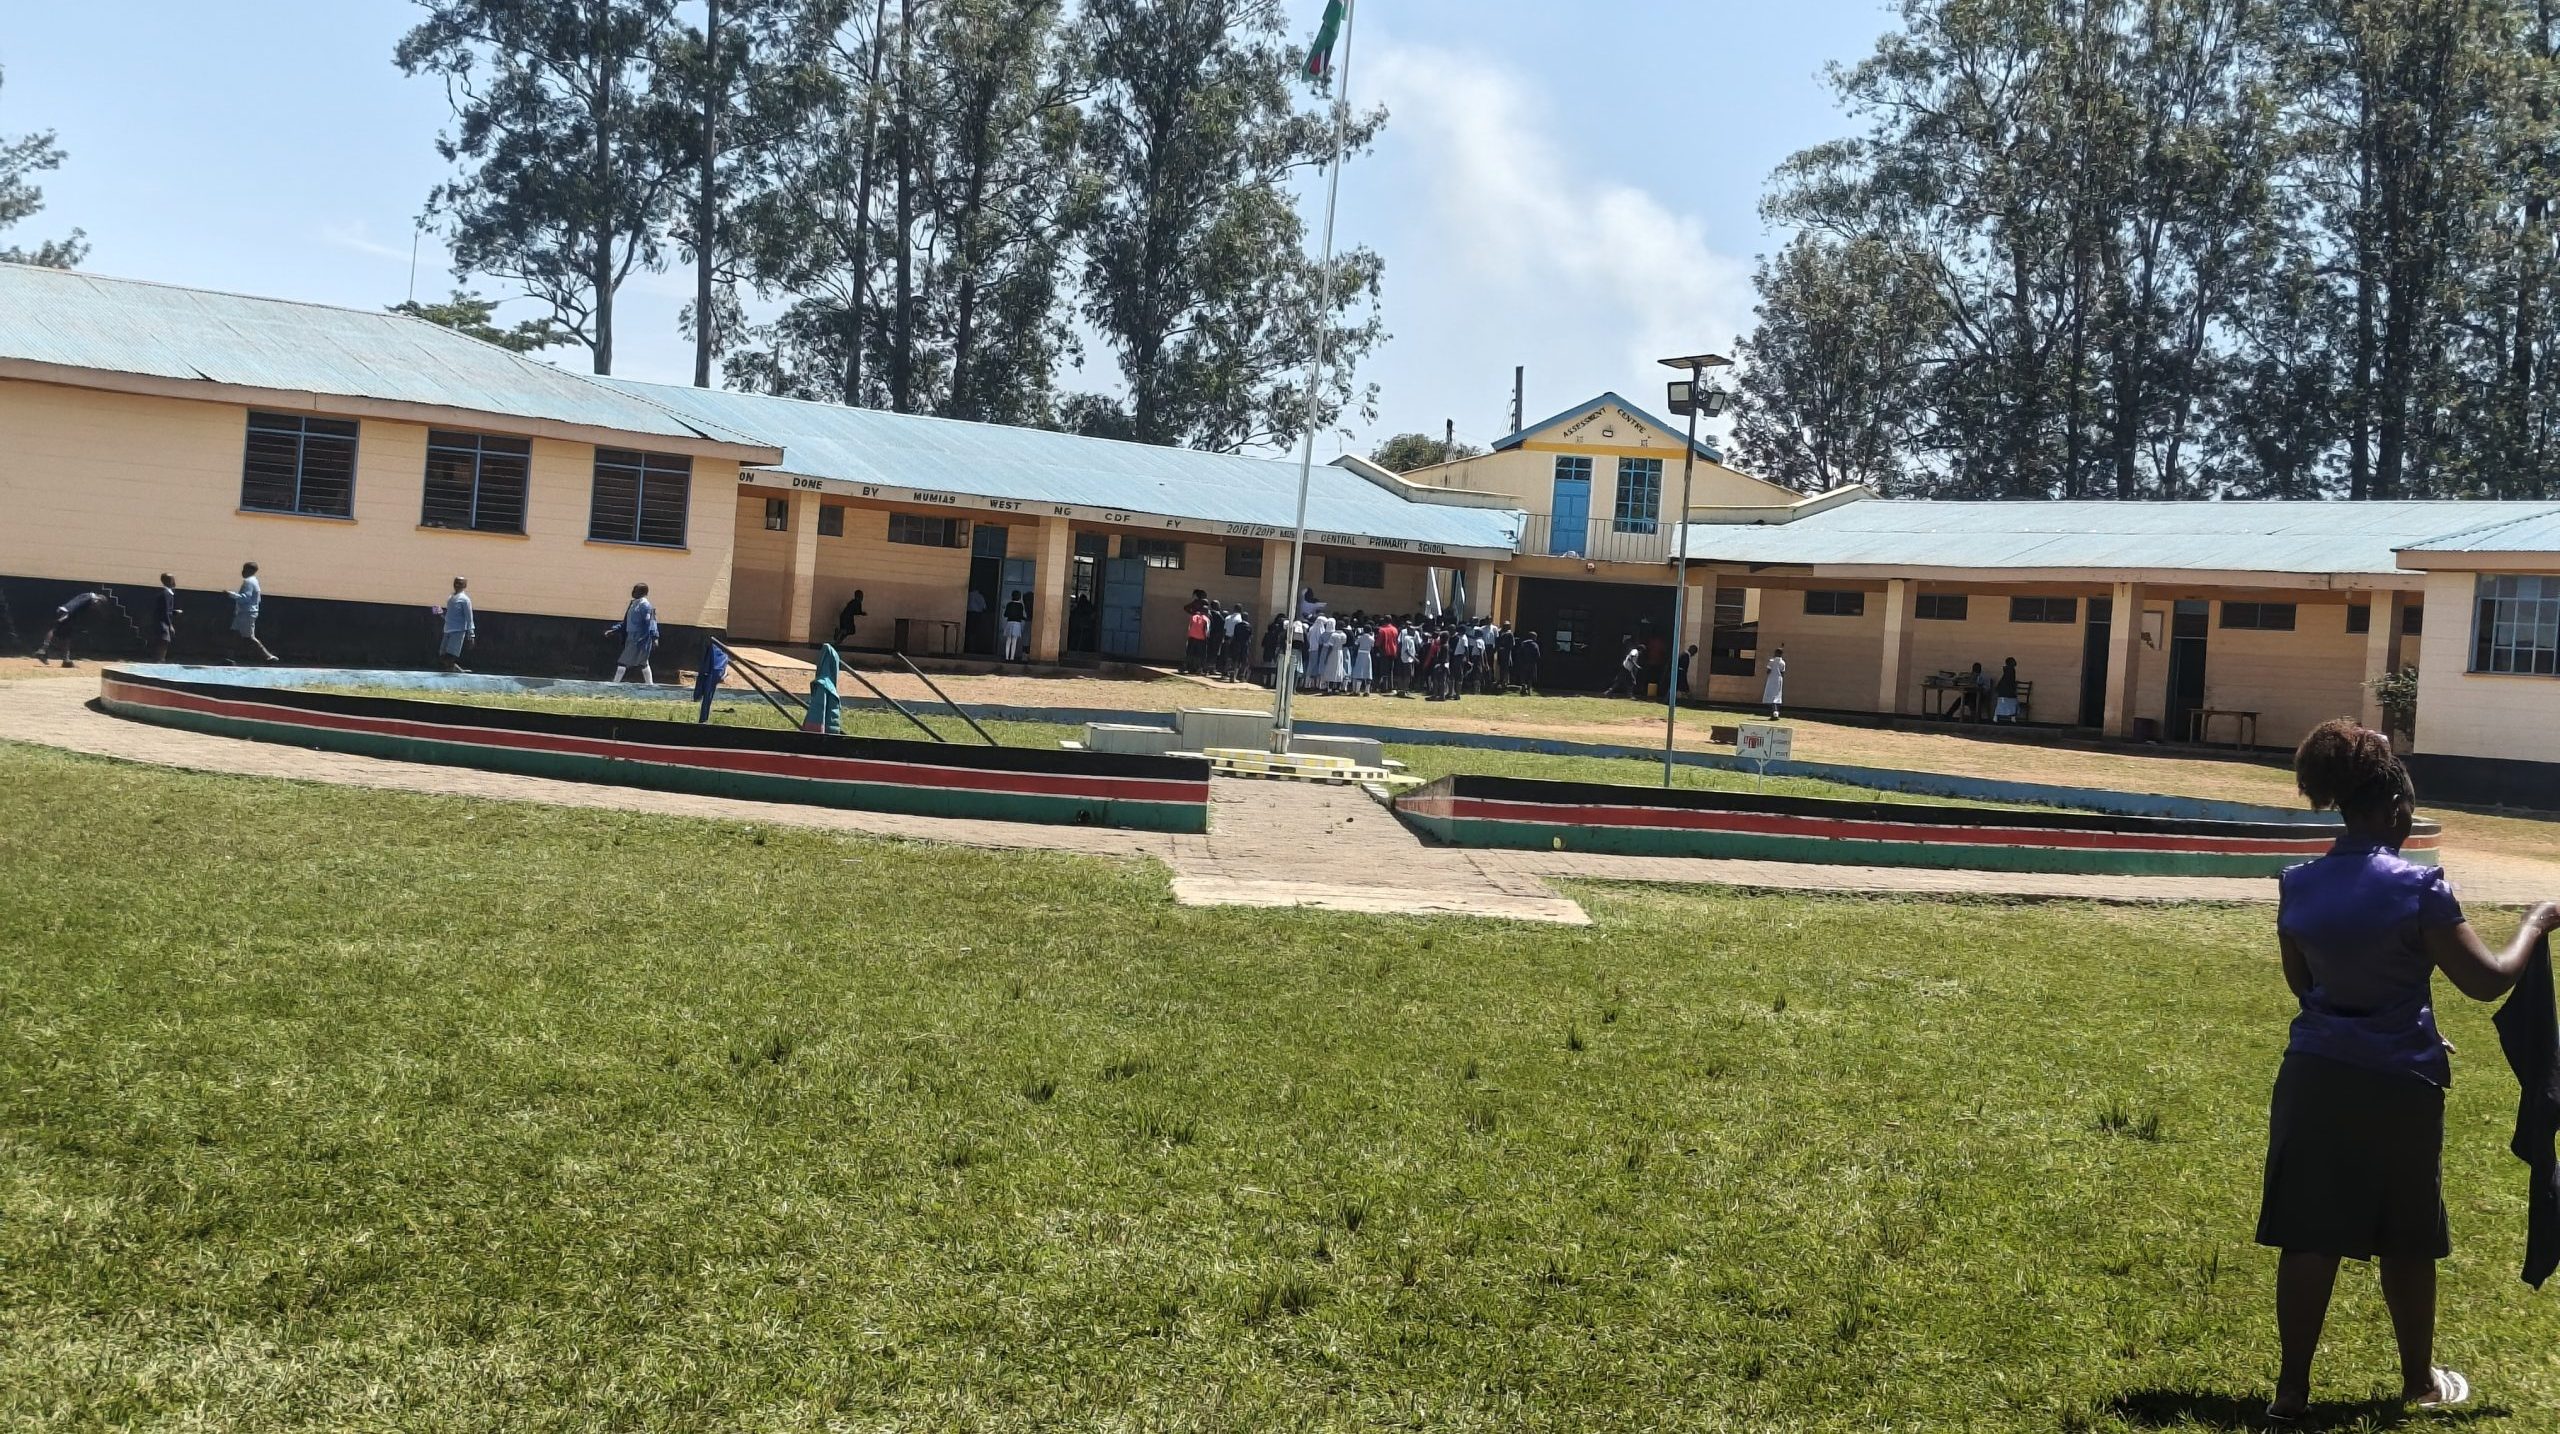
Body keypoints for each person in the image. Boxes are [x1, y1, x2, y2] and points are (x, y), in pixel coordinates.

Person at [2257, 718, 2559, 1422]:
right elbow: (2487, 981)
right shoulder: (2421, 887)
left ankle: (2291, 1393)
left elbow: (2307, 987)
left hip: (2314, 1072)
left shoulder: (2297, 885)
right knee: (2407, 1234)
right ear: (2396, 809)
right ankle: (2419, 1381)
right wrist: (2536, 923)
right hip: (2401, 1080)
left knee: (2309, 1232)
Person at [32, 587, 109, 667]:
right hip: (66, 612)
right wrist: (67, 614)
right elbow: (77, 604)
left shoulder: (88, 597)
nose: (97, 606)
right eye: (99, 604)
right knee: (55, 629)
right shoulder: (90, 597)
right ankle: (42, 650)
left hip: (69, 614)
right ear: (98, 599)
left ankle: (66, 660)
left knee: (66, 636)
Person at [607, 582, 659, 683]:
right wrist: (615, 629)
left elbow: (651, 622)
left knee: (623, 661)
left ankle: (615, 683)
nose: (633, 592)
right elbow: (626, 621)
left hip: (640, 637)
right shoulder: (633, 604)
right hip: (631, 636)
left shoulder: (645, 606)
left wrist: (654, 637)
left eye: (636, 591)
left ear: (643, 593)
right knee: (643, 663)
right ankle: (650, 684)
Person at [229, 562, 276, 664]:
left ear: (250, 571)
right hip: (245, 612)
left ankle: (268, 656)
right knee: (235, 633)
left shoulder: (248, 582)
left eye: (244, 569)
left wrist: (231, 594)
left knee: (249, 637)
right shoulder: (254, 581)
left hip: (247, 613)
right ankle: (230, 658)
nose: (242, 572)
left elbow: (245, 597)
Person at [434, 577, 474, 672]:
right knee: (442, 655)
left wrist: (471, 634)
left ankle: (456, 671)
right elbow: (449, 616)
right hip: (447, 629)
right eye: (456, 582)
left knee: (450, 656)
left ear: (464, 585)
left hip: (458, 630)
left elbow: (469, 617)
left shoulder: (465, 600)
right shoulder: (451, 598)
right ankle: (456, 670)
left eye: (460, 583)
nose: (457, 585)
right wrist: (440, 613)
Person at [151, 574, 181, 662]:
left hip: (162, 621)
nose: (174, 581)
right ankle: (159, 660)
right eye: (172, 579)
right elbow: (165, 611)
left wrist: (175, 612)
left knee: (164, 641)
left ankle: (160, 659)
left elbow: (167, 610)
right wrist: (170, 625)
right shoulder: (166, 594)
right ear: (170, 581)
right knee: (164, 641)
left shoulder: (167, 593)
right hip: (162, 622)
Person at [1993, 657, 2023, 723]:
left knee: (2001, 704)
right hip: (2008, 691)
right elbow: (2010, 681)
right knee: (2013, 703)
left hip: (2003, 691)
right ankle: (2013, 717)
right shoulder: (2011, 670)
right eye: (2013, 661)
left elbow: (2004, 679)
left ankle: (1996, 716)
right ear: (2010, 663)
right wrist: (2014, 688)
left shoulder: (2007, 669)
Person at [1002, 590, 1029, 662]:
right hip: (1017, 624)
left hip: (1009, 623)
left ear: (1012, 596)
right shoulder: (1020, 605)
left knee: (1008, 641)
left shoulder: (1009, 604)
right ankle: (1012, 658)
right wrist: (1025, 618)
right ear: (1019, 597)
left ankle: (1007, 657)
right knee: (1014, 641)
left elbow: (1005, 614)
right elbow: (1021, 616)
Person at [1762, 645, 1787, 720]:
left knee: (1771, 697)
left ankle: (1774, 713)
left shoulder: (1771, 661)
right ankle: (1776, 713)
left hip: (1772, 680)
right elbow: (1782, 673)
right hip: (1779, 680)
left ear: (1776, 653)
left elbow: (1768, 671)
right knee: (1777, 696)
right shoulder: (1783, 662)